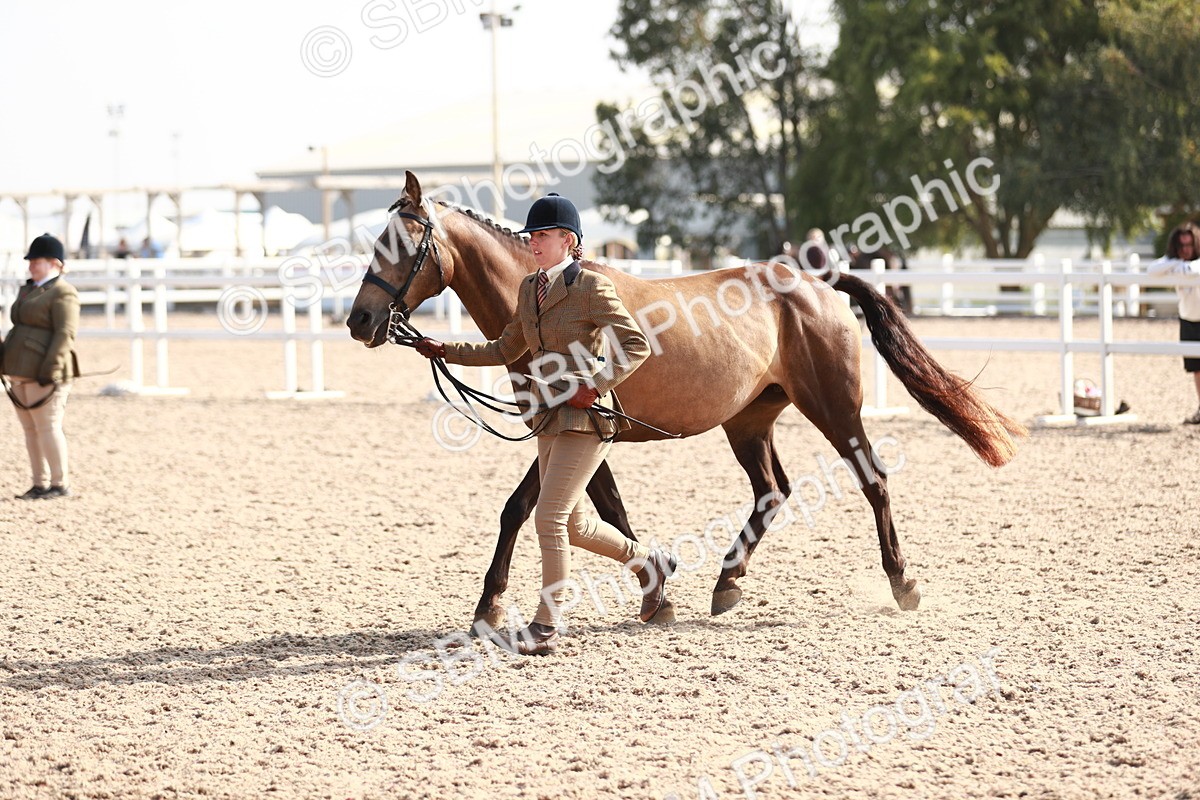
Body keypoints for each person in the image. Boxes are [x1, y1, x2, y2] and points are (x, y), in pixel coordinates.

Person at [414, 194, 676, 655]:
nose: (533, 242)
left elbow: (635, 344)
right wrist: (444, 350)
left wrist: (595, 384)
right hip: (548, 417)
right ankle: (650, 564)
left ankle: (546, 625)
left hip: (587, 418)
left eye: (542, 235)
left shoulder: (591, 287)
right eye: (531, 235)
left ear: (567, 241)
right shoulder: (528, 288)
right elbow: (503, 348)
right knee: (575, 526)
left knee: (548, 518)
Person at [0, 233, 80, 499]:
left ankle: (59, 482)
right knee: (30, 429)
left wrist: (52, 368)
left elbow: (64, 333)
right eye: (31, 261)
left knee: (48, 426)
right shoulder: (28, 289)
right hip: (19, 370)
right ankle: (39, 482)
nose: (32, 266)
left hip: (44, 372)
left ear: (55, 263)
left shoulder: (63, 292)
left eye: (38, 261)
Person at [1148, 221, 1200, 424]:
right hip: (1188, 318)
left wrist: (1179, 266)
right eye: (1182, 246)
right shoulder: (1177, 262)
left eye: (1189, 245)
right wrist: (1176, 262)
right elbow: (1152, 270)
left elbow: (1191, 270)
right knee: (1196, 368)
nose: (1186, 250)